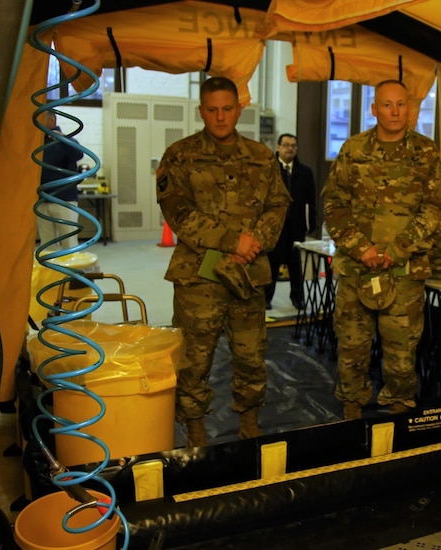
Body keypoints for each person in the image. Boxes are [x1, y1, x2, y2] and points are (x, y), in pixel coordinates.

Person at [156, 76, 291, 447]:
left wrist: (254, 243)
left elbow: (279, 205)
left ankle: (250, 424)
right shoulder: (179, 155)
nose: (220, 117)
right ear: (201, 111)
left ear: (239, 109)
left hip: (248, 274)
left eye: (227, 109)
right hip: (199, 278)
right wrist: (234, 240)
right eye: (212, 110)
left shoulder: (263, 157)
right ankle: (196, 432)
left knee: (250, 356)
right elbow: (178, 212)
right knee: (194, 361)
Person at [322, 79, 441, 420]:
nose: (394, 111)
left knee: (402, 350)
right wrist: (359, 247)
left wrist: (400, 247)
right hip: (356, 270)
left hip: (403, 273)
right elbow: (334, 204)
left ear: (410, 108)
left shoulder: (425, 152)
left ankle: (399, 408)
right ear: (373, 109)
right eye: (387, 105)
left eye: (401, 104)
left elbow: (435, 207)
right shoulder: (353, 150)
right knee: (351, 345)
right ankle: (352, 406)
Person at [264, 133, 316, 310]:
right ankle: (266, 298)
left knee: (295, 264)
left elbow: (311, 201)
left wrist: (311, 224)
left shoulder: (305, 172)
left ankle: (297, 297)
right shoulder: (269, 170)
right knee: (272, 263)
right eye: (286, 145)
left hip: (296, 226)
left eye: (293, 145)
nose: (289, 148)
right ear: (278, 147)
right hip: (274, 227)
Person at [36, 110, 84, 251]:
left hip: (64, 201)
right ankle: (51, 272)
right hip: (43, 200)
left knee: (69, 242)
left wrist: (62, 139)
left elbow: (78, 154)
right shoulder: (39, 143)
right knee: (47, 245)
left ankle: (69, 272)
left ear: (51, 121)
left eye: (41, 119)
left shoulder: (67, 141)